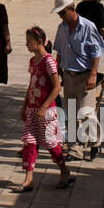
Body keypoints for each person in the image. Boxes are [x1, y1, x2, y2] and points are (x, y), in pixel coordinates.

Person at [51, 0, 104, 161]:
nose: (61, 17)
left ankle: (96, 142)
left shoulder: (87, 26)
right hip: (68, 75)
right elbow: (60, 49)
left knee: (86, 113)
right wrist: (58, 70)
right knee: (71, 112)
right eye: (59, 14)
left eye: (63, 13)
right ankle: (75, 149)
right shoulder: (61, 28)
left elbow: (97, 52)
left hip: (85, 76)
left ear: (72, 9)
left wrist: (93, 74)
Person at [18, 26, 73, 191]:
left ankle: (64, 170)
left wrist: (44, 107)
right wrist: (24, 105)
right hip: (32, 109)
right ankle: (28, 179)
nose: (27, 45)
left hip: (47, 111)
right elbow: (31, 85)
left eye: (29, 42)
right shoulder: (32, 61)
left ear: (39, 41)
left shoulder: (49, 61)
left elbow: (56, 87)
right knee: (29, 142)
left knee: (51, 144)